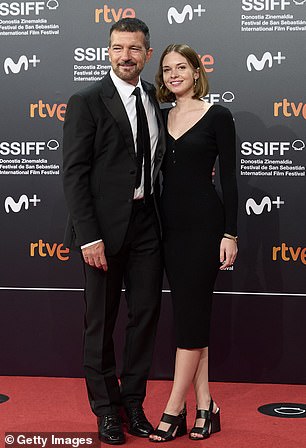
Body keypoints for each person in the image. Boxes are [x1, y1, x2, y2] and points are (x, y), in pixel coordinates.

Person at [62, 18, 166, 445]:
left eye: (135, 49)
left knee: (145, 318)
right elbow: (74, 173)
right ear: (108, 50)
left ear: (148, 53)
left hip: (147, 226)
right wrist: (89, 237)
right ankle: (105, 410)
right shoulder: (86, 100)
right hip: (101, 232)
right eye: (119, 47)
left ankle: (133, 403)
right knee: (100, 325)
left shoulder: (156, 99)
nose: (126, 56)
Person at [149, 44, 238, 443]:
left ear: (197, 71)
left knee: (190, 322)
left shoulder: (218, 115)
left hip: (206, 227)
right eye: (167, 69)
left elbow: (231, 181)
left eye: (181, 67)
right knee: (193, 319)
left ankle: (173, 409)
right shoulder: (161, 116)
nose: (173, 75)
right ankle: (206, 406)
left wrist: (230, 233)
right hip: (169, 229)